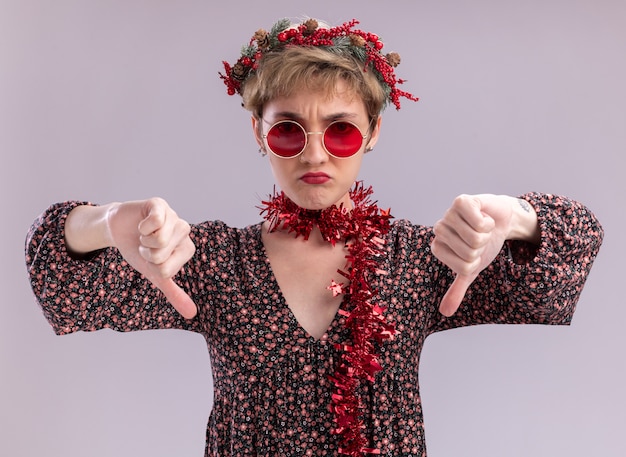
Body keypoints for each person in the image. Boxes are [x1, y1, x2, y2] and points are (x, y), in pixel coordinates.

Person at [25, 17, 603, 457]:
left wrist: (518, 217)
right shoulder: (207, 261)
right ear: (257, 131)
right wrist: (100, 224)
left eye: (342, 130)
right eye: (288, 131)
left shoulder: (427, 258)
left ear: (373, 132)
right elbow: (59, 277)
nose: (315, 153)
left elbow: (569, 256)